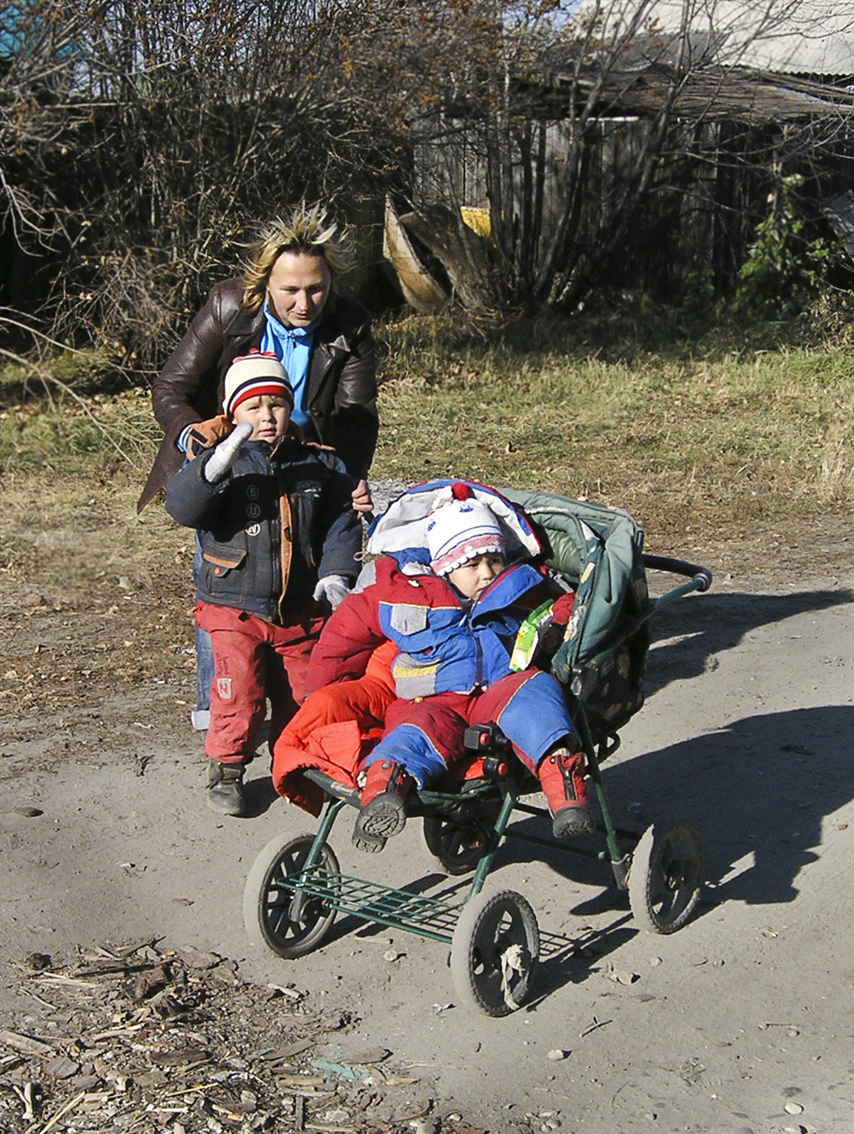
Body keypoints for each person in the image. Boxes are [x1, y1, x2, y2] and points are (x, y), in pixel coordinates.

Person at [138, 202, 378, 726]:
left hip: (301, 464)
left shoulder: (350, 323)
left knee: (304, 575)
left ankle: (293, 715)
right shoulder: (229, 306)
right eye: (290, 289)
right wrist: (196, 441)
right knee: (222, 583)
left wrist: (348, 477)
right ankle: (216, 720)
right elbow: (171, 388)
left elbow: (355, 418)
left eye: (315, 288)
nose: (304, 301)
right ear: (266, 281)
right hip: (226, 461)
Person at [305, 481, 596, 852]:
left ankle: (565, 788)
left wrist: (564, 615)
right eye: (472, 564)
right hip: (432, 695)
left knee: (536, 696)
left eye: (494, 559)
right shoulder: (403, 593)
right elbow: (344, 634)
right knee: (413, 732)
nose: (487, 572)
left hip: (499, 687)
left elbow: (562, 603)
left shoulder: (519, 586)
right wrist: (321, 689)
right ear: (444, 568)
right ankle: (383, 791)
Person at [164, 350, 362, 817]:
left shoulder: (319, 465)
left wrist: (337, 573)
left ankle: (295, 763)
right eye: (253, 407)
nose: (267, 416)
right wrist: (215, 465)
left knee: (303, 692)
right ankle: (227, 769)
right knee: (239, 691)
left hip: (299, 608)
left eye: (276, 404)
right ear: (234, 412)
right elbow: (182, 507)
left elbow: (342, 521)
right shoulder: (220, 464)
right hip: (234, 605)